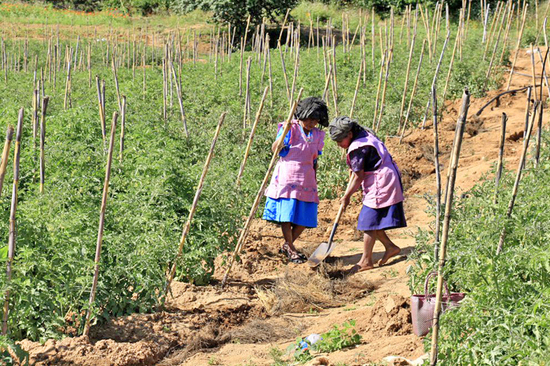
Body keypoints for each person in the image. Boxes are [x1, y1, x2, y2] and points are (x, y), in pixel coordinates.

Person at [328, 116, 406, 272]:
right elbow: (356, 173)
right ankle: (390, 247)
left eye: (339, 141)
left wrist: (347, 196)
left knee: (367, 220)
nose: (339, 145)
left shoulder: (358, 147)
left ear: (349, 134)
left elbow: (358, 176)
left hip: (381, 180)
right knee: (373, 219)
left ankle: (366, 261)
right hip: (383, 176)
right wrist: (347, 194)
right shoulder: (362, 134)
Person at [263, 97, 329, 263]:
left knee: (305, 217)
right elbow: (275, 149)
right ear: (302, 115)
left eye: (315, 120)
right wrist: (282, 133)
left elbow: (315, 159)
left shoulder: (317, 135)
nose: (312, 123)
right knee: (287, 215)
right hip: (287, 176)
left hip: (307, 178)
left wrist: (314, 176)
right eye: (309, 119)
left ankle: (287, 244)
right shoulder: (290, 128)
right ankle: (291, 248)